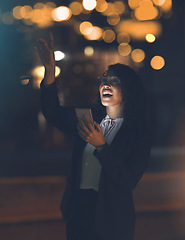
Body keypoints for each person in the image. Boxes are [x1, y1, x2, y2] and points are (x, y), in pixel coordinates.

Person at [36, 33, 151, 240]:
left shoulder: (137, 133)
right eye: (103, 80)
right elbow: (53, 113)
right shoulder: (89, 119)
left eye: (114, 81)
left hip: (111, 219)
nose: (105, 84)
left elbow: (127, 180)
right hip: (79, 212)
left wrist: (102, 147)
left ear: (128, 90)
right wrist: (50, 72)